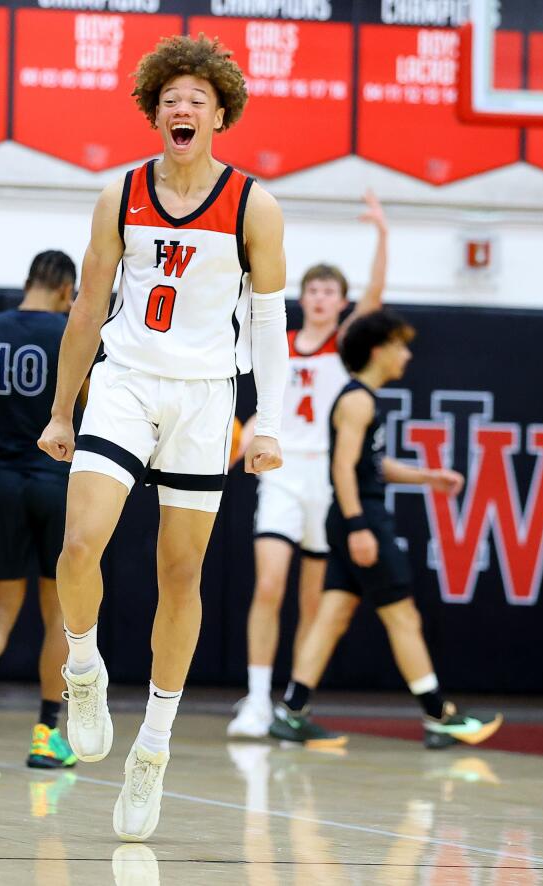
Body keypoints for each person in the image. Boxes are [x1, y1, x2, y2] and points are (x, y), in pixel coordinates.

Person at [37, 35, 288, 842]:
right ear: (156, 114)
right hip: (126, 382)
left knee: (180, 575)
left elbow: (271, 324)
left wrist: (269, 420)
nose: (183, 108)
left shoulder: (255, 204)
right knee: (78, 550)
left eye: (197, 99)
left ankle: (152, 748)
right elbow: (85, 307)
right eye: (170, 98)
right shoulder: (122, 194)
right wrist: (60, 407)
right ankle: (83, 666)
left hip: (206, 398)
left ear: (220, 114)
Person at [269, 309, 502, 750]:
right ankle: (439, 716)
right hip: (362, 519)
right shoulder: (358, 400)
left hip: (348, 516)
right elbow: (341, 467)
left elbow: (369, 466)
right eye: (400, 345)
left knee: (332, 614)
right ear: (378, 350)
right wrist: (359, 526)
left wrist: (427, 477)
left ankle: (293, 711)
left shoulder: (360, 398)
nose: (407, 355)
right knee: (402, 615)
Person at [229, 191, 388, 739]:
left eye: (331, 291)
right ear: (304, 297)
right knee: (269, 585)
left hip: (327, 477)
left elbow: (376, 297)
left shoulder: (346, 344)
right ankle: (254, 699)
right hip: (282, 470)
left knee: (311, 598)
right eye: (314, 290)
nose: (321, 298)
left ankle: (291, 705)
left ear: (342, 303)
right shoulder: (283, 340)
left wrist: (383, 235)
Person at [0, 251, 80, 770]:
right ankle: (47, 734)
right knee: (61, 618)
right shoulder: (73, 334)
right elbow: (87, 407)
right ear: (68, 290)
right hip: (56, 484)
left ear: (28, 282)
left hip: (0, 485)